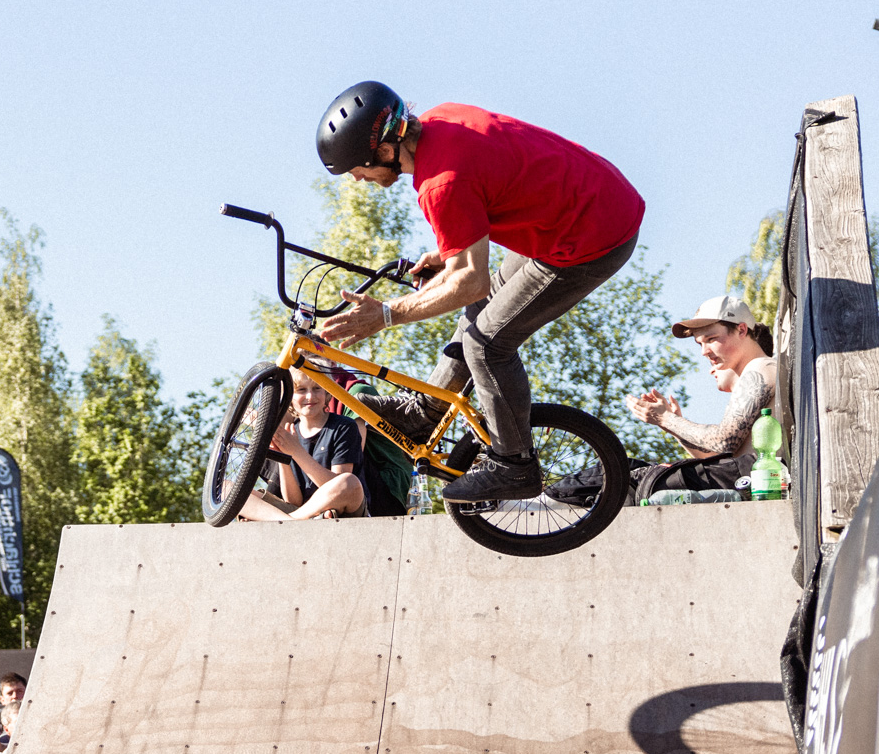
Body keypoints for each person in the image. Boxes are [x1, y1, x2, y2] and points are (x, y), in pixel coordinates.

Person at [313, 82, 645, 503]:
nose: (358, 180)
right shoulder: (441, 120)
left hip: (592, 238)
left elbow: (470, 279)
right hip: (587, 203)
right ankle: (425, 412)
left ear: (381, 149)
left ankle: (514, 465)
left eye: (356, 169)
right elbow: (493, 180)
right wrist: (453, 246)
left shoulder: (439, 184)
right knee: (481, 305)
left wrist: (386, 315)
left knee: (486, 343)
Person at [621, 296, 776, 495]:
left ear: (742, 330)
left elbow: (726, 440)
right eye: (699, 344)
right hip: (750, 481)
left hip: (762, 482)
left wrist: (666, 418)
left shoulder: (761, 368)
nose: (704, 352)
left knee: (632, 480)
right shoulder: (754, 372)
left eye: (711, 339)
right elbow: (719, 457)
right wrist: (673, 424)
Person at [239, 370, 369, 522]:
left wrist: (296, 451)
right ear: (290, 398)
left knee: (348, 482)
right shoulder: (291, 431)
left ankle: (283, 520)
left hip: (342, 507)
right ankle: (288, 521)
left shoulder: (344, 426)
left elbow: (336, 485)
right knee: (225, 491)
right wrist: (284, 457)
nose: (310, 396)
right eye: (301, 390)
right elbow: (293, 501)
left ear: (327, 393)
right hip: (300, 512)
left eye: (317, 388)